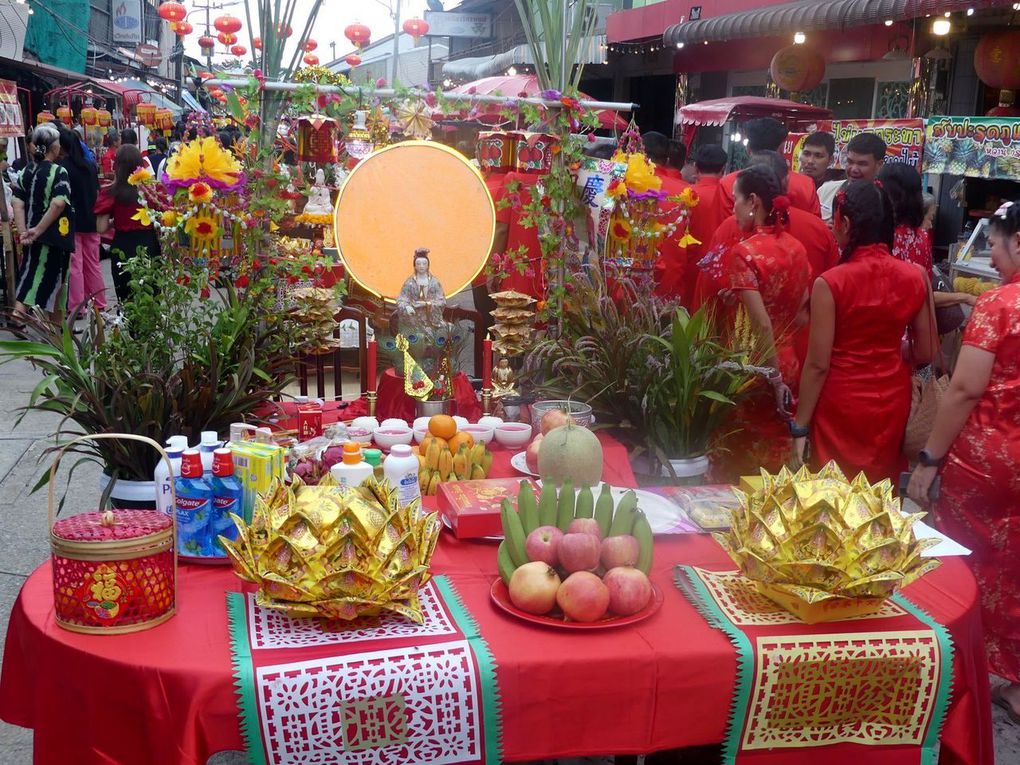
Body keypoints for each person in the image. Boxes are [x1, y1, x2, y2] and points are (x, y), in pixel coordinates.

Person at [907, 201, 1020, 711]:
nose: (992, 255)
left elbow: (965, 389)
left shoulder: (999, 307)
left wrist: (930, 458)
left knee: (964, 556)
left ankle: (955, 664)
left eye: (995, 243)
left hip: (989, 456)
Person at [792, 180, 936, 482]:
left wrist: (800, 426)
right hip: (892, 399)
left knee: (834, 493)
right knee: (880, 491)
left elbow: (817, 365)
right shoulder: (915, 276)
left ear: (844, 223)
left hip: (841, 401)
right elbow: (926, 351)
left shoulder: (831, 282)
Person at [701, 164, 811, 481]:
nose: (732, 206)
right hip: (788, 358)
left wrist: (773, 377)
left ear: (753, 201)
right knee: (775, 452)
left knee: (740, 458)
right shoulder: (797, 248)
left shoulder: (746, 252)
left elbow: (760, 323)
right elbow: (802, 310)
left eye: (735, 199)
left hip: (751, 364)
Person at [11, 124, 75, 320]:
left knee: (31, 273)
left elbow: (17, 202)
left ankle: (22, 312)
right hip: (53, 237)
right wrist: (37, 230)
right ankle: (50, 329)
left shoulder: (26, 171)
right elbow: (58, 204)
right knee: (54, 283)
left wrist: (24, 231)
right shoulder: (58, 172)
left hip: (31, 235)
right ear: (53, 147)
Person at [94, 144, 161, 304]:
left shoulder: (111, 192)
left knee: (127, 297)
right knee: (151, 294)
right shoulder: (150, 190)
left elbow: (101, 228)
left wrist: (115, 221)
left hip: (123, 246)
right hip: (149, 244)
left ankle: (132, 329)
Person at [720, 118, 820, 215]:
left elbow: (723, 226)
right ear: (782, 147)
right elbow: (815, 225)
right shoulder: (806, 185)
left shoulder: (727, 183)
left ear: (748, 148)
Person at [58, 128, 105, 314]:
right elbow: (97, 192)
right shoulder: (90, 165)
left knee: (75, 265)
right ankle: (99, 302)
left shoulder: (63, 168)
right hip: (91, 218)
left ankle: (78, 307)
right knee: (93, 263)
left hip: (73, 221)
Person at [818, 132, 886, 222]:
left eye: (862, 164)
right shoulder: (825, 190)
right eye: (850, 162)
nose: (854, 169)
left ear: (879, 165)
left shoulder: (885, 202)